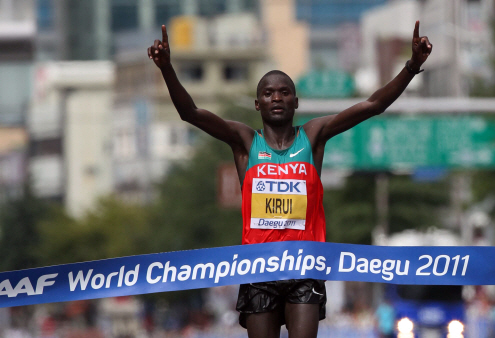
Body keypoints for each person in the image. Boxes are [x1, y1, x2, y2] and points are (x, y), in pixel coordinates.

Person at [148, 21, 432, 338]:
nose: (277, 98)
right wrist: (167, 69)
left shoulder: (313, 137)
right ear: (258, 104)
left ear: (296, 102)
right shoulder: (244, 142)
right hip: (258, 269)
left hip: (304, 267)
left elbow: (373, 105)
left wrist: (412, 66)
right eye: (268, 94)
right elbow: (191, 113)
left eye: (285, 93)